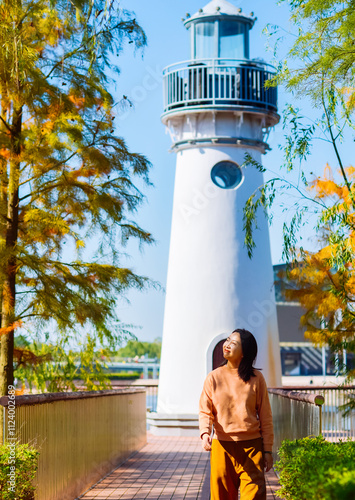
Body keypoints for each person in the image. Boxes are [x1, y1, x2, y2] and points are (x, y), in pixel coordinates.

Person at [199, 328, 274, 500]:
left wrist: (268, 450)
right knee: (221, 497)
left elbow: (265, 417)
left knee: (254, 496)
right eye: (227, 340)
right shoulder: (213, 377)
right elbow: (205, 409)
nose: (227, 345)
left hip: (252, 448)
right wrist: (205, 433)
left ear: (244, 352)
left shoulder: (257, 379)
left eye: (234, 343)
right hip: (222, 447)